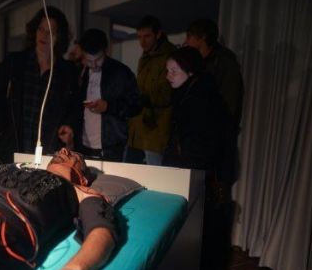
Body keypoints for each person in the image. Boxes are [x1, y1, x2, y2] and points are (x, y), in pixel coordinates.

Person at [162, 46, 235, 270]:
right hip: (190, 169)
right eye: (167, 70)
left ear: (190, 71)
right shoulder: (189, 93)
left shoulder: (202, 98)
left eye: (174, 71)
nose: (168, 76)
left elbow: (208, 143)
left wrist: (184, 168)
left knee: (199, 226)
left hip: (198, 171)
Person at [0, 6, 79, 163]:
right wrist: (3, 130)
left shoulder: (67, 71)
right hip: (14, 146)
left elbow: (74, 107)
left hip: (50, 149)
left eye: (51, 32)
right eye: (41, 29)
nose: (44, 35)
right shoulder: (15, 62)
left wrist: (69, 126)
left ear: (59, 37)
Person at [75, 28, 141, 161]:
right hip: (82, 143)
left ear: (106, 51)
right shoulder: (79, 72)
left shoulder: (121, 72)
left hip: (112, 145)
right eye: (89, 60)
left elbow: (136, 105)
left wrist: (108, 106)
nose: (94, 65)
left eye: (98, 59)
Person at [126, 15, 176, 166]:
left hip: (156, 130)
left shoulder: (169, 56)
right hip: (141, 128)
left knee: (154, 172)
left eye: (147, 36)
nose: (142, 41)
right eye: (139, 37)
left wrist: (141, 97)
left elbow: (167, 93)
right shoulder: (146, 57)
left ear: (158, 34)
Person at [185, 19, 244, 129]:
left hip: (213, 131)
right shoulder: (198, 60)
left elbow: (229, 104)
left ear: (202, 37)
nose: (186, 41)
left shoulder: (225, 64)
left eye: (189, 36)